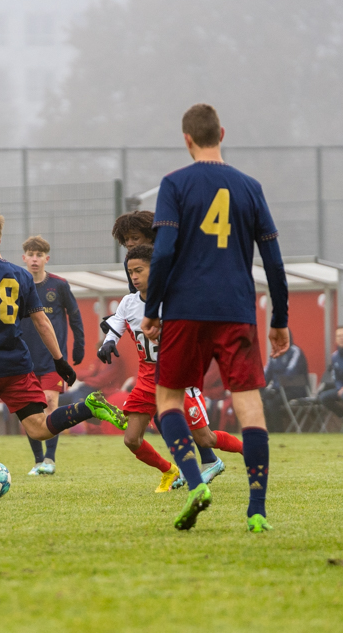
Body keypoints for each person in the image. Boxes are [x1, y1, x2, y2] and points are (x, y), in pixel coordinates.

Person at [141, 104, 289, 532]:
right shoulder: (250, 187)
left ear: (187, 139)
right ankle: (257, 508)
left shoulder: (174, 184)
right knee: (250, 407)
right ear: (221, 133)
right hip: (237, 311)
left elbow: (164, 251)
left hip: (186, 311)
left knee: (167, 400)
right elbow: (274, 262)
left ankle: (194, 484)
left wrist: (154, 310)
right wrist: (278, 318)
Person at [0, 210, 127, 503]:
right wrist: (60, 360)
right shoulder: (21, 275)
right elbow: (42, 321)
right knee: (39, 428)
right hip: (17, 366)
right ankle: (87, 407)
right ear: (0, 239)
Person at [99, 244, 243, 492]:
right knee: (131, 439)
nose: (133, 276)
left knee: (205, 438)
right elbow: (115, 327)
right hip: (146, 378)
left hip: (178, 378)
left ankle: (249, 450)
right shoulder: (128, 302)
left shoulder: (175, 298)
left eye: (139, 270)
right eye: (130, 271)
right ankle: (169, 470)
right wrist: (108, 343)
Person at [18, 235, 85, 476]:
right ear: (23, 258)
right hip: (24, 360)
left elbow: (75, 316)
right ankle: (37, 461)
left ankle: (50, 459)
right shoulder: (18, 285)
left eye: (39, 255)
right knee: (29, 410)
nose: (34, 259)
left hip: (52, 361)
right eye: (30, 255)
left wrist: (79, 346)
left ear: (47, 258)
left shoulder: (59, 286)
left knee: (49, 402)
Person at [261, 331, 309, 429]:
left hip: (296, 389)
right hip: (278, 389)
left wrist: (274, 388)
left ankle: (278, 431)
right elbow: (267, 374)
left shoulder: (296, 352)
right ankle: (266, 431)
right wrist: (259, 386)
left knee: (273, 402)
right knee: (262, 399)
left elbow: (290, 374)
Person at [318, 327, 343, 417]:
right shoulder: (335, 356)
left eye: (342, 336)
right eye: (338, 336)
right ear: (336, 339)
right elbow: (336, 376)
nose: (341, 338)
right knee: (324, 397)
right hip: (341, 389)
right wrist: (340, 387)